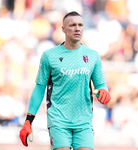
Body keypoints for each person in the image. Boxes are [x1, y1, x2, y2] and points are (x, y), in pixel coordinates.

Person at [19, 11, 111, 150]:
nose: (77, 28)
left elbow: (101, 85)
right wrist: (28, 121)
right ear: (63, 29)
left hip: (84, 121)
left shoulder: (92, 56)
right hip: (58, 120)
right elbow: (39, 88)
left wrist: (104, 92)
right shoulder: (49, 56)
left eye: (80, 25)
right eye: (72, 25)